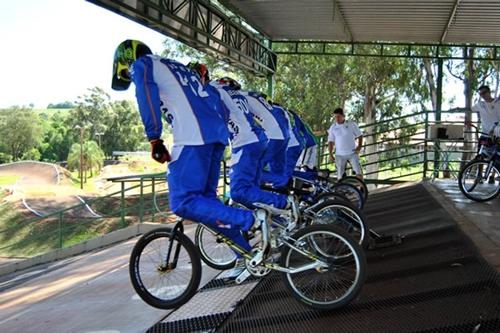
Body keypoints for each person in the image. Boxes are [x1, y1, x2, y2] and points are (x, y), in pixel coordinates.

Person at [111, 40, 267, 277]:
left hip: (194, 137)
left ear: (127, 59)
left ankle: (250, 218)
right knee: (208, 203)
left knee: (182, 202)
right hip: (216, 137)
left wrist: (154, 138)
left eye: (125, 72)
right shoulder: (177, 67)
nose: (130, 76)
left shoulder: (143, 64)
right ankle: (246, 253)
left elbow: (146, 98)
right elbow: (215, 104)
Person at [210, 77, 288, 210]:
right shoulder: (238, 95)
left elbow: (217, 123)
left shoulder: (215, 91)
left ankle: (284, 202)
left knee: (239, 191)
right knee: (253, 187)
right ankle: (270, 219)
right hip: (259, 139)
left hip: (245, 142)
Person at [243, 92, 290, 187]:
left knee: (253, 169)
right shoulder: (252, 95)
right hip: (283, 134)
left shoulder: (237, 96)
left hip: (273, 135)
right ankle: (284, 193)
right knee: (277, 169)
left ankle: (286, 181)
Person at [327, 107, 364, 180]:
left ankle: (362, 189)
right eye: (335, 117)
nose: (337, 119)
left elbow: (360, 135)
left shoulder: (351, 124)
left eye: (338, 116)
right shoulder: (333, 127)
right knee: (340, 175)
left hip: (352, 153)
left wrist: (359, 147)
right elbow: (330, 141)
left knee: (358, 171)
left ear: (343, 116)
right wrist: (330, 154)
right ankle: (341, 190)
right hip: (339, 154)